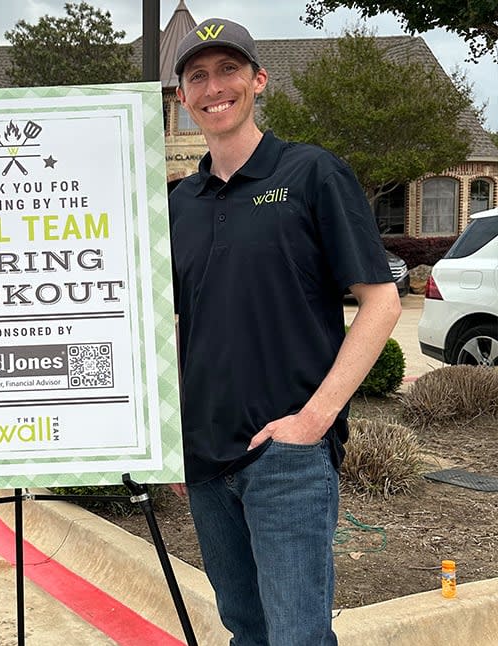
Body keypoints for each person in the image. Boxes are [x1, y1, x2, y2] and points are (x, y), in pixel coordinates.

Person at [167, 19, 402, 645]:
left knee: (297, 636)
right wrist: (163, 436)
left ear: (258, 80)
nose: (213, 87)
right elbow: (167, 323)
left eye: (228, 71)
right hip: (204, 458)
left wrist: (313, 420)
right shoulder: (178, 203)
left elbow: (381, 304)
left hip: (286, 455)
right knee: (246, 629)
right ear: (183, 99)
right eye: (197, 77)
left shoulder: (311, 174)